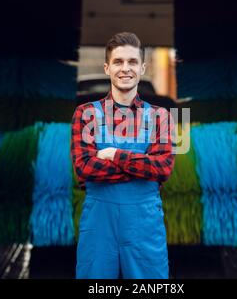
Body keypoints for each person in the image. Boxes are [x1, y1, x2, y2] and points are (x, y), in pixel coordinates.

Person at [70, 32, 175, 279]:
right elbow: (85, 168)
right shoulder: (85, 114)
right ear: (107, 67)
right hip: (99, 226)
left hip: (144, 225)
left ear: (143, 68)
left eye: (132, 62)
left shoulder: (161, 116)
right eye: (118, 62)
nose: (125, 69)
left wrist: (115, 155)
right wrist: (142, 169)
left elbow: (162, 169)